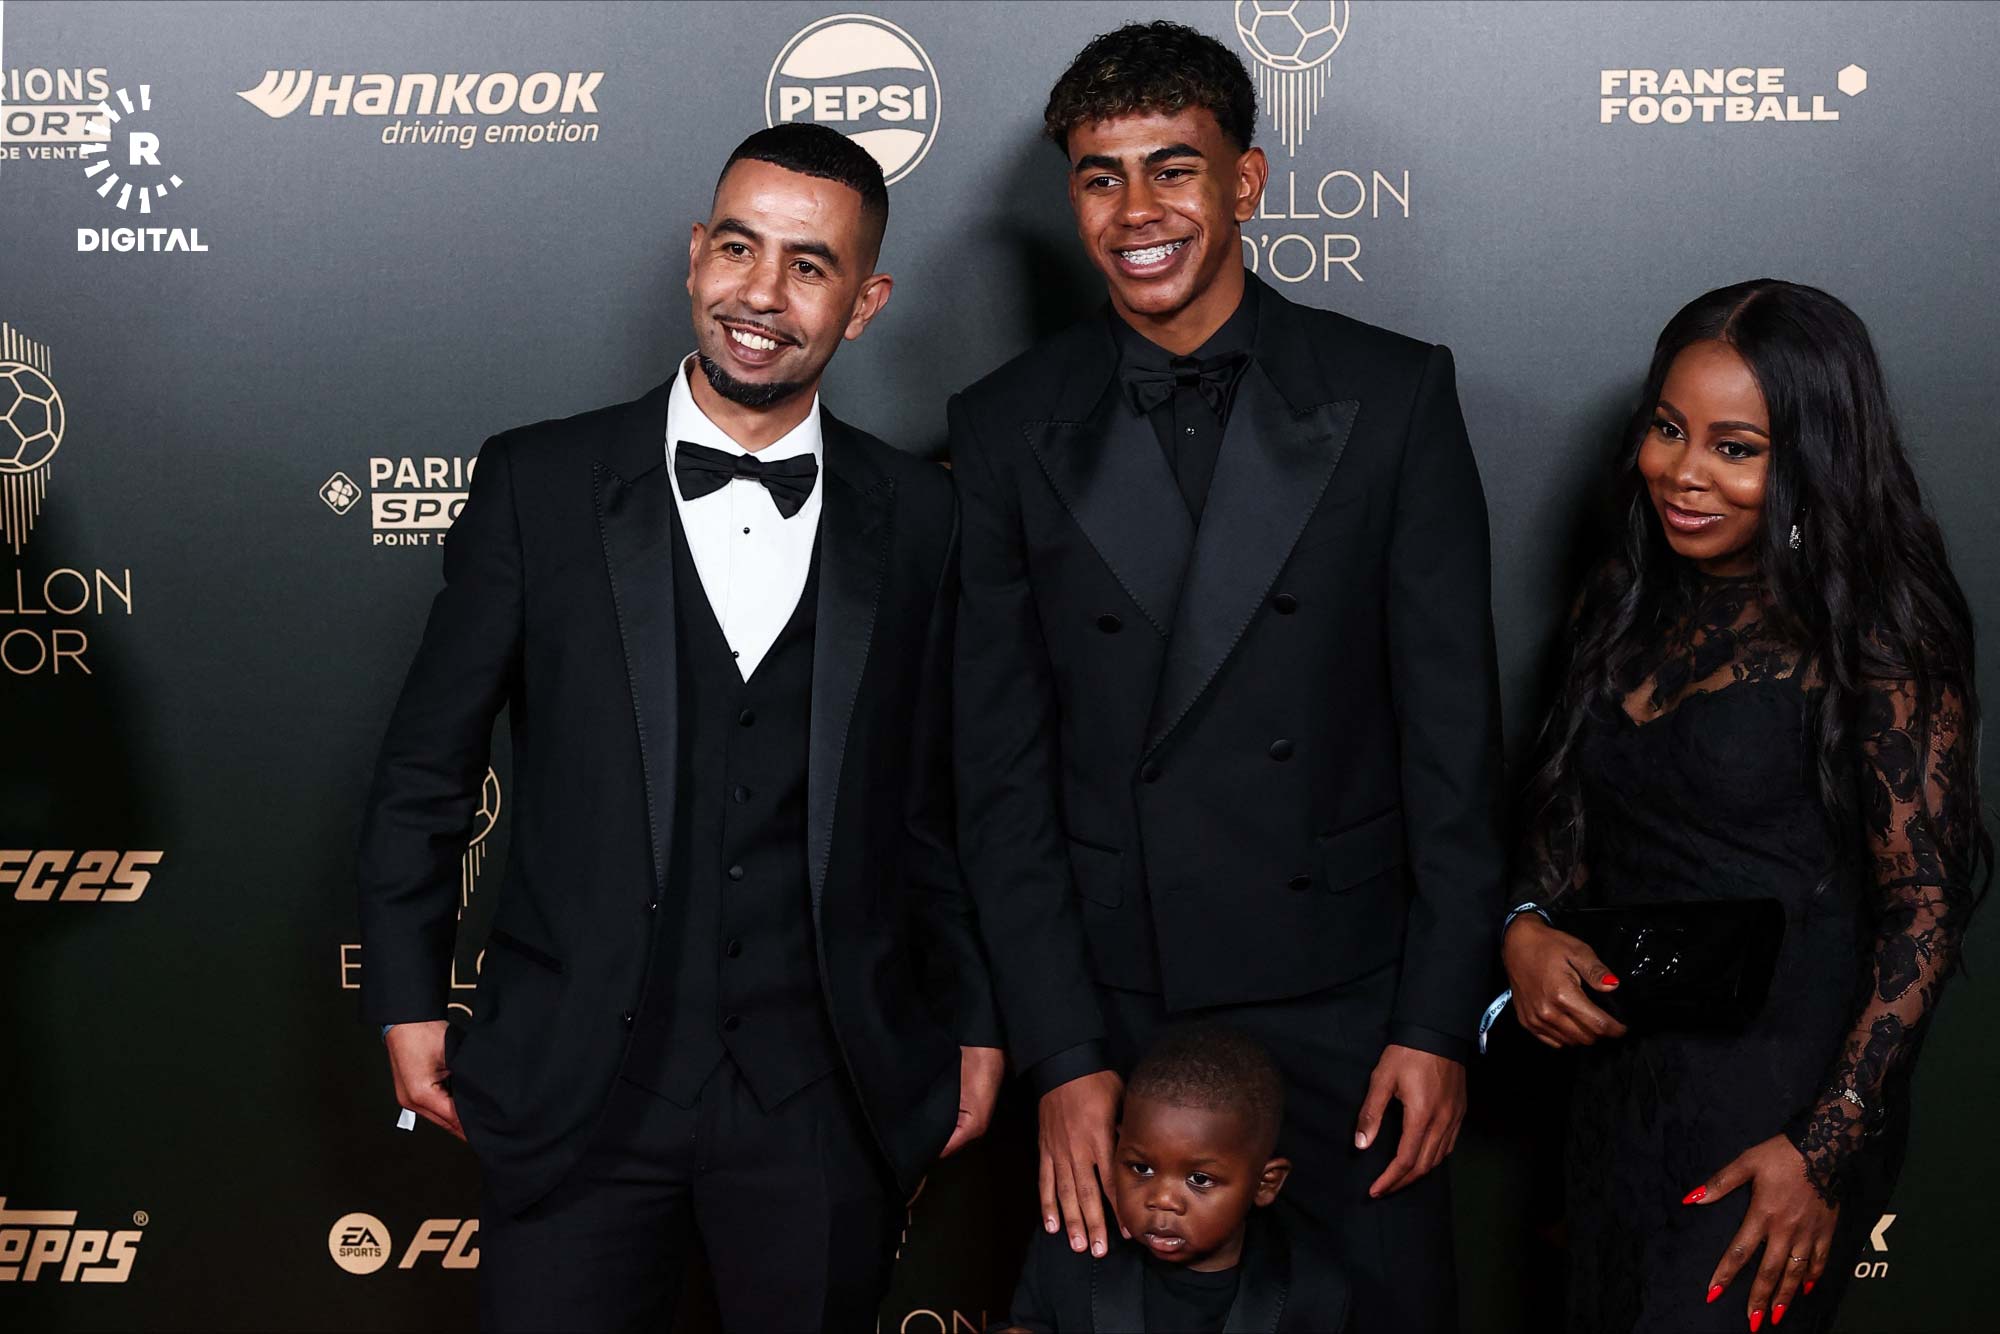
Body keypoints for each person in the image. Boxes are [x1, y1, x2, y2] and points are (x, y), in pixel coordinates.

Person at [355, 122, 1004, 1332]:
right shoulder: (539, 483)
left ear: (864, 304)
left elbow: (939, 806)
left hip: (823, 1098)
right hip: (575, 1086)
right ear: (695, 254)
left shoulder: (925, 517)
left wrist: (972, 1015)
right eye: (739, 248)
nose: (760, 294)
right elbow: (424, 768)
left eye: (809, 265)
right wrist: (405, 997)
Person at [951, 22, 1506, 1332]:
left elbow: (1455, 751)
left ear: (1245, 180)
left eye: (1173, 168)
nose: (1135, 211)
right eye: (1100, 176)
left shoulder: (1394, 395)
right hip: (1120, 1011)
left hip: (1351, 1007)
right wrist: (1062, 1051)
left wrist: (1436, 1020)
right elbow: (999, 777)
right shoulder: (1004, 423)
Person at [1501, 279, 1990, 1334]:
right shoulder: (1622, 600)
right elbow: (1563, 812)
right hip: (1617, 1081)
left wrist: (1822, 1148)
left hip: (1778, 1104)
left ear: (1814, 459)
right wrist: (1525, 924)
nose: (1683, 472)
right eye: (1668, 429)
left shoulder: (1879, 639)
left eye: (1736, 448)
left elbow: (1922, 908)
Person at [998, 1024, 1349, 1333]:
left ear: (1265, 1183)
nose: (1162, 1199)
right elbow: (1028, 1323)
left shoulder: (1314, 1293)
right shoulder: (1069, 1254)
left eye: (1199, 1179)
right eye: (1141, 1169)